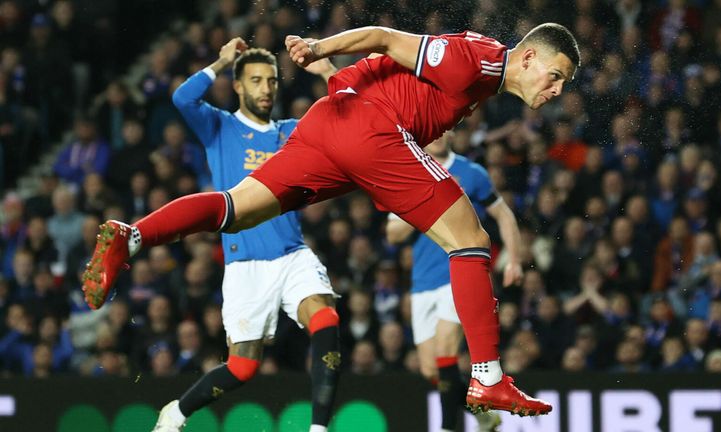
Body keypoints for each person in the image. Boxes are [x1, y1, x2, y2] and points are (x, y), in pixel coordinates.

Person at [84, 23, 579, 416]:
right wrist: (321, 47)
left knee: (235, 210)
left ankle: (132, 237)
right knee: (470, 240)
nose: (556, 90)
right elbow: (385, 38)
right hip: (373, 129)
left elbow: (384, 67)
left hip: (333, 122)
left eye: (564, 85)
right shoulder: (480, 58)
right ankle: (489, 378)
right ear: (529, 56)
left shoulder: (486, 74)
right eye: (554, 75)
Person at [151, 39, 341, 432]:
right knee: (242, 366)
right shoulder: (220, 126)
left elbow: (345, 115)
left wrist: (325, 71)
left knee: (325, 318)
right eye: (256, 80)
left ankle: (319, 428)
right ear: (238, 86)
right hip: (244, 266)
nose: (266, 88)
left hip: (291, 255)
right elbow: (183, 99)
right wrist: (221, 60)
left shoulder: (291, 132)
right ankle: (177, 413)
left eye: (271, 81)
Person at [386, 131, 524, 431]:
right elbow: (392, 234)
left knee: (446, 351)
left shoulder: (471, 172)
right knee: (429, 368)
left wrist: (513, 258)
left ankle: (448, 427)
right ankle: (483, 410)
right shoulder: (409, 173)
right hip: (422, 280)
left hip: (459, 274)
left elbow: (503, 215)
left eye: (445, 128)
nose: (439, 134)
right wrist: (423, 200)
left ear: (451, 132)